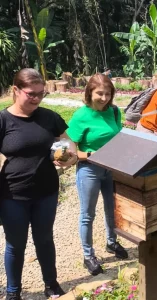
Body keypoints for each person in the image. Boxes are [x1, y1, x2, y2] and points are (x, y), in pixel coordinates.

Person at [0, 68, 78, 300]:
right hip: (12, 194)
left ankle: (51, 284)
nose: (36, 98)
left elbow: (68, 142)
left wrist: (70, 155)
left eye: (41, 94)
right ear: (15, 90)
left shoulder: (49, 117)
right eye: (31, 93)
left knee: (44, 239)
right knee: (15, 244)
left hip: (46, 191)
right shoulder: (3, 120)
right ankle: (13, 291)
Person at [67, 74, 128, 276]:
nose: (104, 98)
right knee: (87, 214)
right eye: (99, 93)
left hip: (111, 169)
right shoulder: (80, 116)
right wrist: (93, 154)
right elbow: (72, 153)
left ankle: (112, 242)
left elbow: (119, 138)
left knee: (112, 209)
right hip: (89, 170)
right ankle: (88, 255)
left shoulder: (114, 111)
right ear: (90, 92)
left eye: (107, 94)